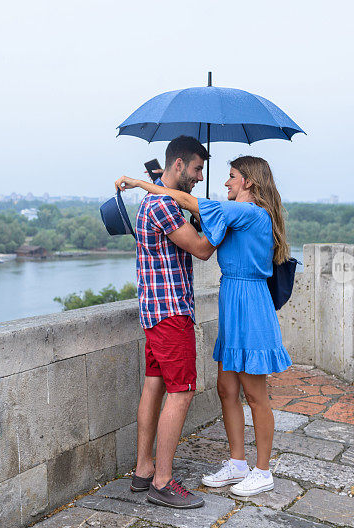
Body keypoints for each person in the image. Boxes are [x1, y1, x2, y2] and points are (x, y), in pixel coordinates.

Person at [116, 155, 292, 497]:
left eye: (231, 176)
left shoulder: (250, 211)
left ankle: (263, 470)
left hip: (251, 305)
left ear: (249, 183)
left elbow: (187, 201)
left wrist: (141, 184)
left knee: (255, 394)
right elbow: (205, 223)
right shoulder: (235, 214)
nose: (226, 182)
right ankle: (238, 463)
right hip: (232, 300)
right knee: (226, 389)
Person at [127, 135, 215, 509]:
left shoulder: (153, 201)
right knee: (182, 391)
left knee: (154, 387)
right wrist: (216, 220)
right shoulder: (164, 204)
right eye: (196, 169)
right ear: (177, 165)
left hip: (153, 310)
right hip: (171, 313)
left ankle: (143, 470)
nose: (198, 177)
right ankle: (162, 482)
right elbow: (201, 249)